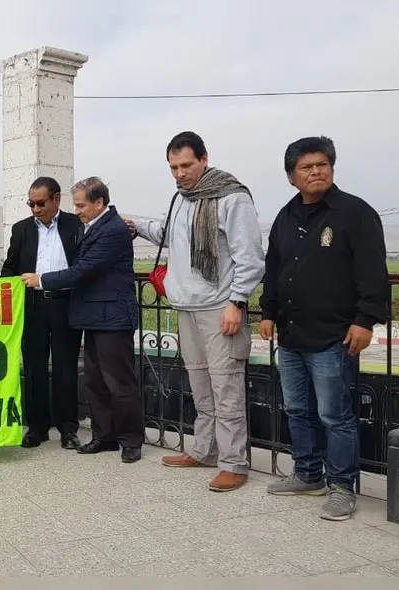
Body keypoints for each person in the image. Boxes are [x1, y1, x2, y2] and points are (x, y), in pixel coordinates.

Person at [124, 131, 264, 493]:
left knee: (226, 385)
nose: (180, 173)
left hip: (220, 309)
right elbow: (170, 234)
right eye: (173, 167)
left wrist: (237, 302)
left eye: (186, 165)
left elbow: (249, 256)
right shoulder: (182, 199)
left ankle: (234, 463)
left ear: (204, 158)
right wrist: (137, 225)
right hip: (187, 306)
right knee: (201, 384)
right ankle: (205, 450)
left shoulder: (232, 197)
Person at [260, 136, 389, 521]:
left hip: (334, 335)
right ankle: (307, 473)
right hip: (292, 333)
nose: (316, 172)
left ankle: (341, 487)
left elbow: (372, 273)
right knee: (298, 409)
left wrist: (365, 320)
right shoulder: (285, 216)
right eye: (306, 167)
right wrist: (267, 313)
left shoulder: (355, 213)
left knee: (336, 415)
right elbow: (274, 270)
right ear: (291, 177)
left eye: (322, 165)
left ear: (332, 168)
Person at [21, 177, 144, 463]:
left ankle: (130, 440)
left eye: (81, 205)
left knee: (119, 382)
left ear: (99, 202)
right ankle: (104, 436)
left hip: (112, 316)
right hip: (92, 315)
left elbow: (85, 269)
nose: (77, 211)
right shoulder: (92, 227)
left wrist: (42, 280)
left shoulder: (112, 231)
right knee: (96, 380)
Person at [1, 176, 83, 450]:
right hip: (32, 307)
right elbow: (10, 268)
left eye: (41, 203)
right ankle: (36, 427)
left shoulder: (75, 225)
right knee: (34, 367)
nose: (35, 209)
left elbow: (83, 265)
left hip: (65, 304)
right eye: (31, 204)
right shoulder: (21, 229)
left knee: (65, 367)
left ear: (57, 199)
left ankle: (68, 428)